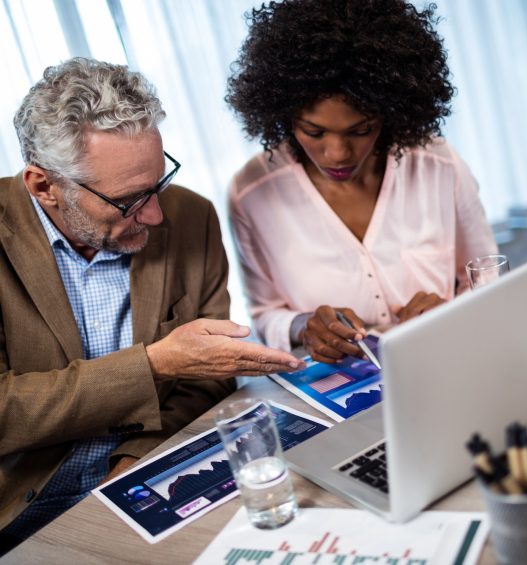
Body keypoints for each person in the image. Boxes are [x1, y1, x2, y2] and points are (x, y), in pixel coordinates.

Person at [0, 57, 303, 553]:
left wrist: (134, 460)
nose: (158, 214)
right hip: (23, 512)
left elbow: (208, 377)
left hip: (155, 474)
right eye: (129, 200)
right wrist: (154, 365)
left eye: (159, 183)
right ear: (44, 186)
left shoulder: (193, 216)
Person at [227, 0, 497, 363]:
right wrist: (304, 325)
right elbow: (264, 315)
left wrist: (452, 313)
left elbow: (488, 279)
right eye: (314, 131)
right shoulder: (251, 194)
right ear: (282, 114)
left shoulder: (438, 165)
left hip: (448, 362)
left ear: (390, 112)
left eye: (360, 129)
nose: (337, 153)